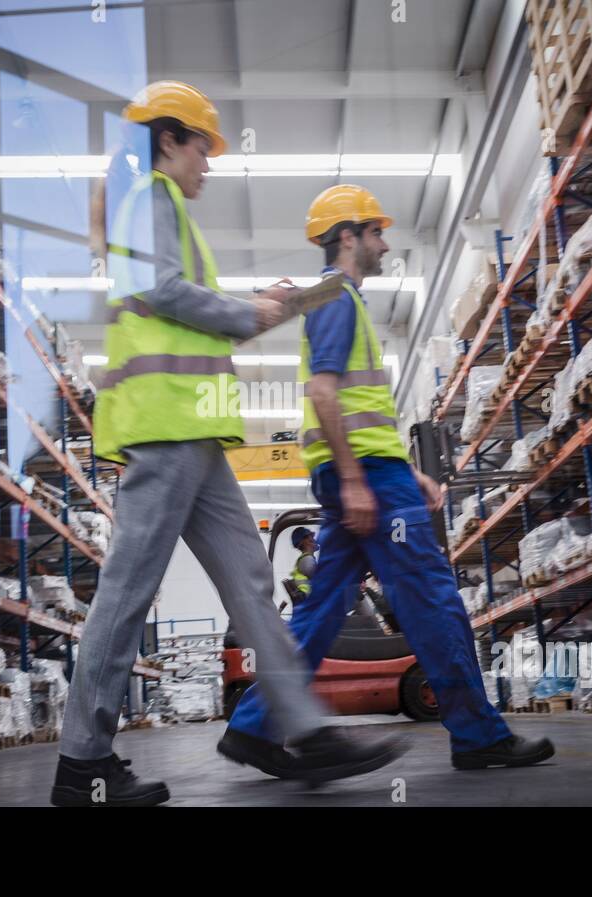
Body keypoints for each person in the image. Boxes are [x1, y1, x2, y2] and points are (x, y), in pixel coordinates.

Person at [52, 85, 404, 807]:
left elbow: (182, 300)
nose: (210, 162)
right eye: (204, 147)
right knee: (127, 591)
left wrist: (259, 303)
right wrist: (250, 313)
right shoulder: (148, 194)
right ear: (171, 139)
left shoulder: (164, 208)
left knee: (249, 581)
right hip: (163, 426)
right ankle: (81, 761)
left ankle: (299, 728)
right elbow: (162, 291)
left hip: (196, 431)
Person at [219, 185, 555, 776]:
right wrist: (359, 481)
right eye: (375, 231)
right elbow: (324, 393)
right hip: (365, 481)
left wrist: (404, 472)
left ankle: (252, 727)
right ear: (347, 237)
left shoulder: (337, 301)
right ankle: (478, 735)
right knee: (430, 597)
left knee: (321, 609)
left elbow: (355, 406)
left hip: (369, 475)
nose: (385, 242)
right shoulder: (336, 299)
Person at [288, 527, 317, 601]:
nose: (314, 540)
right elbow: (321, 579)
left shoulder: (305, 559)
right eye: (312, 537)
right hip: (311, 602)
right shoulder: (307, 560)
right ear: (305, 541)